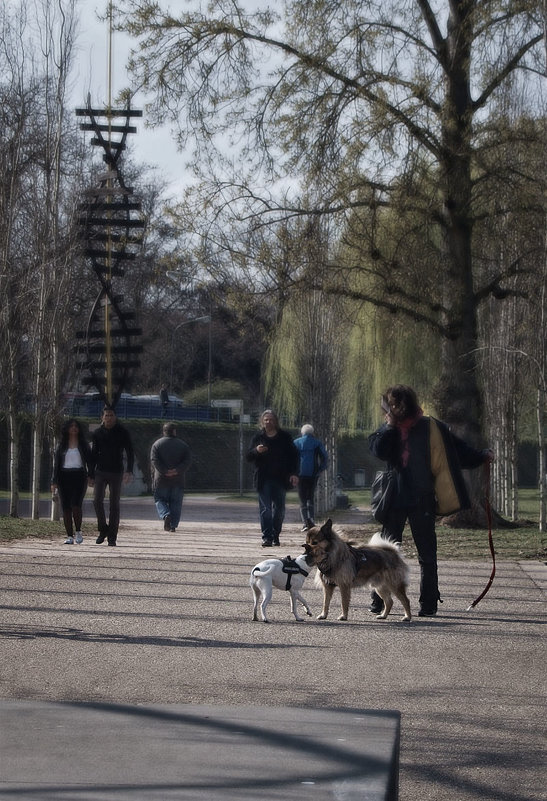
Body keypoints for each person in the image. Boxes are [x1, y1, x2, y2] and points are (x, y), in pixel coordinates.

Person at [368, 384, 494, 617]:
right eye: (390, 404)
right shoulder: (389, 428)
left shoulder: (431, 427)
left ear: (407, 403)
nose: (393, 408)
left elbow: (458, 451)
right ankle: (378, 601)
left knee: (427, 554)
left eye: (396, 403)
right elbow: (378, 451)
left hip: (421, 497)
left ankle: (428, 603)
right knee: (383, 553)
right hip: (394, 498)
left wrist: (481, 456)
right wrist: (389, 426)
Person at [247, 410, 299, 547]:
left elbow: (294, 457)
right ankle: (267, 537)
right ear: (262, 422)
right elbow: (248, 457)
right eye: (266, 420)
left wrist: (294, 473)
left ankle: (276, 534)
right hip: (263, 479)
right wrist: (256, 451)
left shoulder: (285, 437)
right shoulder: (258, 437)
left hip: (281, 479)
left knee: (280, 510)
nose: (268, 422)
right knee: (266, 509)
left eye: (270, 419)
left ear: (275, 421)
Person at [89, 405, 134, 546]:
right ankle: (103, 529)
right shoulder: (97, 433)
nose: (109, 418)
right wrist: (90, 474)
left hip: (116, 471)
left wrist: (129, 470)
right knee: (97, 501)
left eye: (111, 415)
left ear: (115, 417)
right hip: (100, 471)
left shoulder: (122, 432)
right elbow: (93, 455)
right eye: (106, 415)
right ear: (102, 417)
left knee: (114, 505)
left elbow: (130, 452)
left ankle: (112, 536)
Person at [51, 419, 92, 545]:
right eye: (71, 426)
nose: (73, 428)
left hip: (79, 476)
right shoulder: (61, 445)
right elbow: (56, 464)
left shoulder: (83, 444)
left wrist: (91, 476)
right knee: (66, 508)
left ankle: (78, 531)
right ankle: (69, 535)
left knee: (76, 505)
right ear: (67, 429)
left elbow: (90, 462)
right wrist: (54, 481)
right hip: (64, 477)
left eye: (76, 426)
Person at [150, 423, 192, 532]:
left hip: (161, 479)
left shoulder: (157, 444)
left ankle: (165, 514)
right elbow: (187, 461)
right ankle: (173, 525)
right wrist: (176, 470)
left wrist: (165, 471)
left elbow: (154, 460)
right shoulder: (183, 445)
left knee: (159, 499)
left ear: (164, 432)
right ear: (174, 431)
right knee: (176, 503)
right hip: (178, 479)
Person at [293, 424, 328, 530]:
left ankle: (305, 523)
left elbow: (290, 457)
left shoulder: (296, 443)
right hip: (313, 474)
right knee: (310, 497)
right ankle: (311, 520)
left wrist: (291, 471)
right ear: (312, 433)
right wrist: (321, 468)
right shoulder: (317, 443)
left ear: (302, 432)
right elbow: (324, 457)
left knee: (302, 498)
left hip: (299, 474)